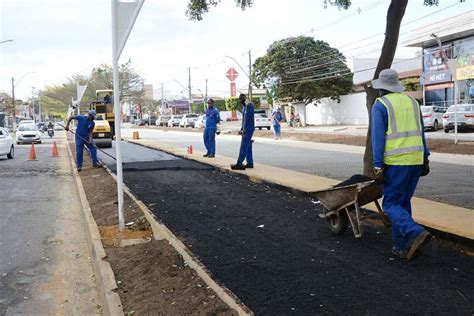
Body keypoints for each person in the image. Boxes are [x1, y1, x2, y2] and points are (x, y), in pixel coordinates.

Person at [371, 69, 432, 262]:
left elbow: (378, 138)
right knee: (403, 204)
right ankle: (400, 247)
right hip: (415, 160)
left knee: (390, 205)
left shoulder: (380, 105)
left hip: (396, 163)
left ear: (382, 88)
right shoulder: (413, 102)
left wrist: (378, 165)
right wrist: (425, 156)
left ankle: (415, 232)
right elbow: (421, 132)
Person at [231, 94, 255, 170]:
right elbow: (244, 120)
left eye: (241, 99)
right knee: (248, 145)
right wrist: (241, 129)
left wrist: (244, 129)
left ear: (244, 99)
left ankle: (239, 163)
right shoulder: (244, 107)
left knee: (244, 146)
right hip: (245, 129)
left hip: (248, 129)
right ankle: (250, 163)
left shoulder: (249, 106)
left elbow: (248, 118)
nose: (240, 100)